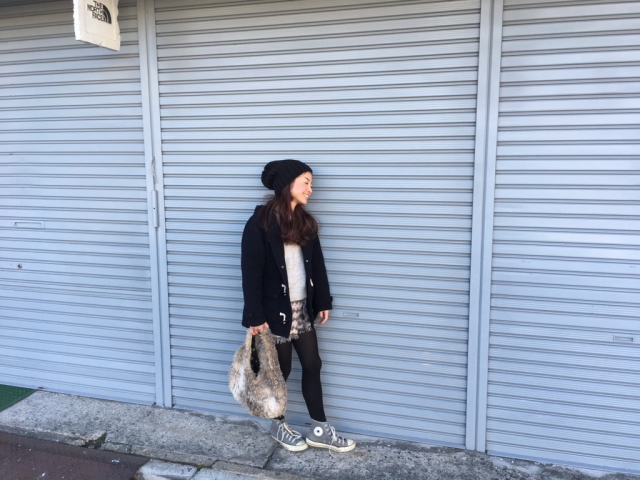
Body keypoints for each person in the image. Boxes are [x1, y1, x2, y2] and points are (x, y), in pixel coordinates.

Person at [240, 159, 356, 453]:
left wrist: (323, 300)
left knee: (313, 364)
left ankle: (320, 429)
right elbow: (250, 272)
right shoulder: (260, 223)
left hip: (301, 309)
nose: (310, 189)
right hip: (272, 312)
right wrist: (255, 315)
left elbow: (317, 265)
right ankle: (278, 424)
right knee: (281, 371)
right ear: (287, 184)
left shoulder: (305, 223)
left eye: (311, 183)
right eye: (306, 182)